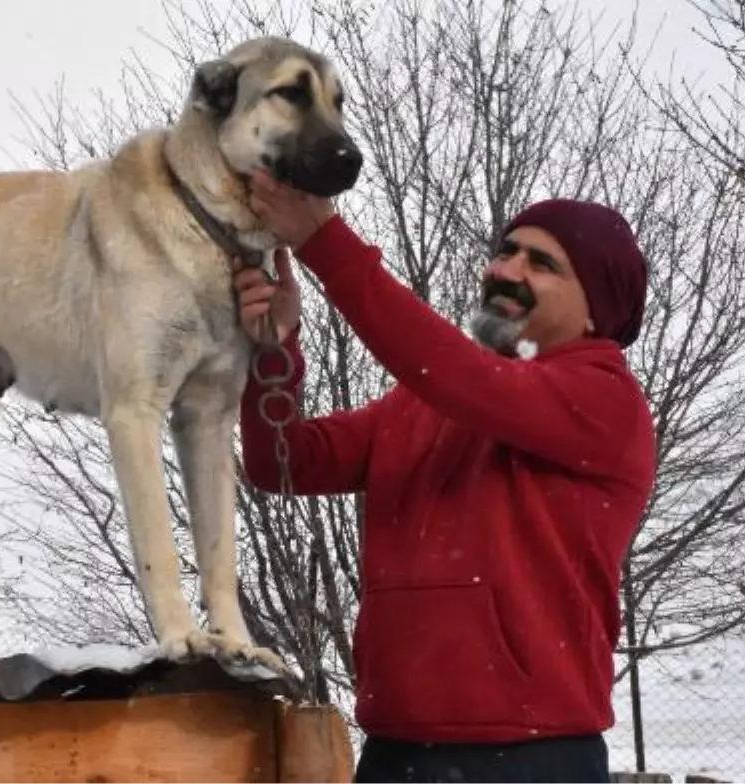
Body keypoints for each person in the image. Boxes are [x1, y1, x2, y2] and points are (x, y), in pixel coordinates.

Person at [233, 170, 656, 784]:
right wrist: (275, 349)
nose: (506, 270)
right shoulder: (425, 401)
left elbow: (464, 379)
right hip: (395, 751)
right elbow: (283, 462)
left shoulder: (604, 399)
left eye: (543, 263)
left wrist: (324, 241)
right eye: (506, 251)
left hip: (531, 761)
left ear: (598, 308)